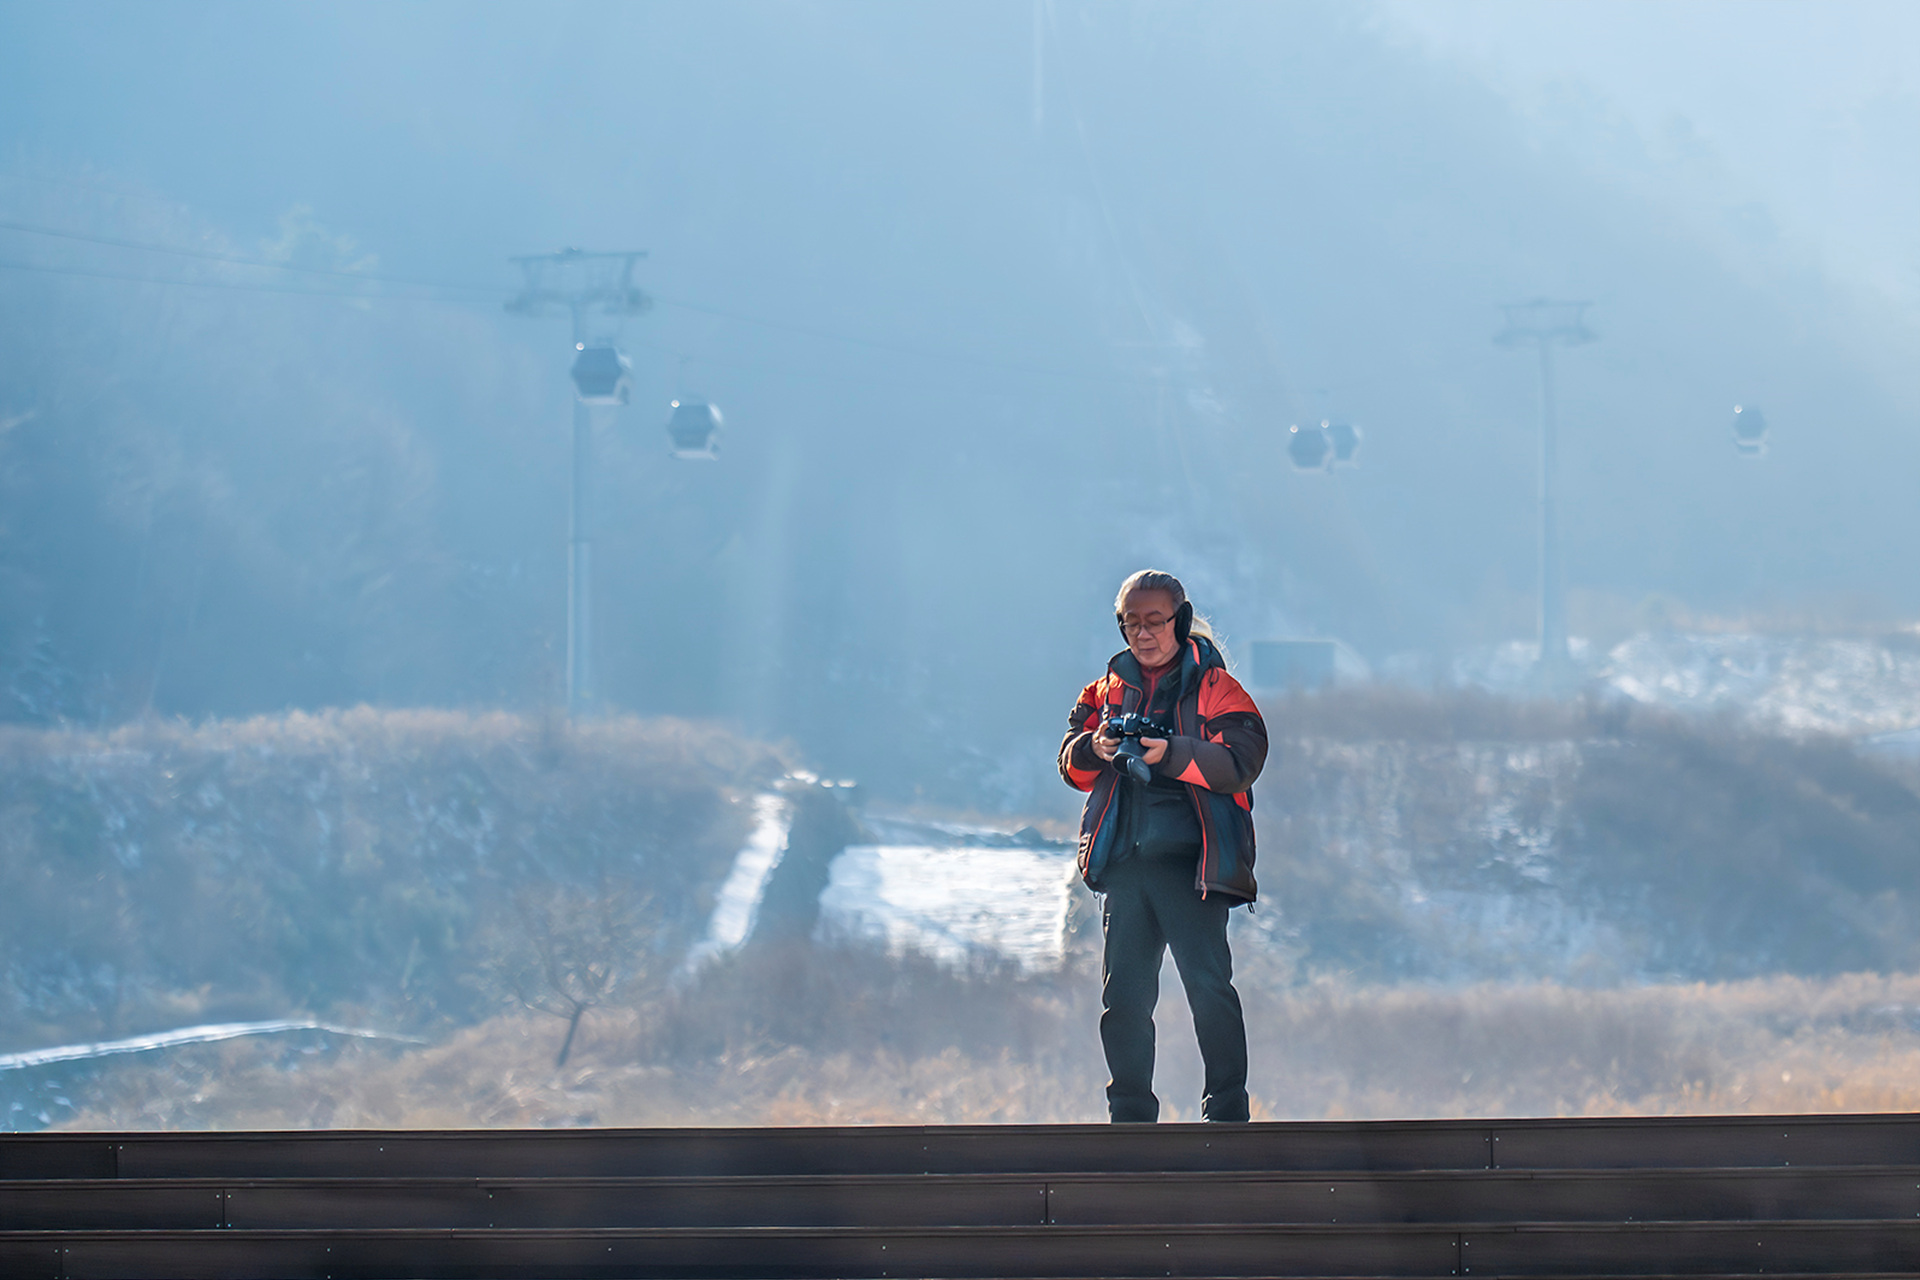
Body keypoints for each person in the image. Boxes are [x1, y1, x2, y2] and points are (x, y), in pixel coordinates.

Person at [1058, 569, 1268, 1123]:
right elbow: (1070, 765)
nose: (1143, 634)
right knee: (1123, 999)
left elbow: (1243, 763)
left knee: (1208, 989)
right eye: (1132, 623)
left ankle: (1227, 1113)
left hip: (1193, 865)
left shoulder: (1217, 688)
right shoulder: (1104, 691)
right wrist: (1098, 747)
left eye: (1155, 621)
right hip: (1125, 864)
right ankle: (1129, 1118)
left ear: (1180, 619)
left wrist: (1169, 753)